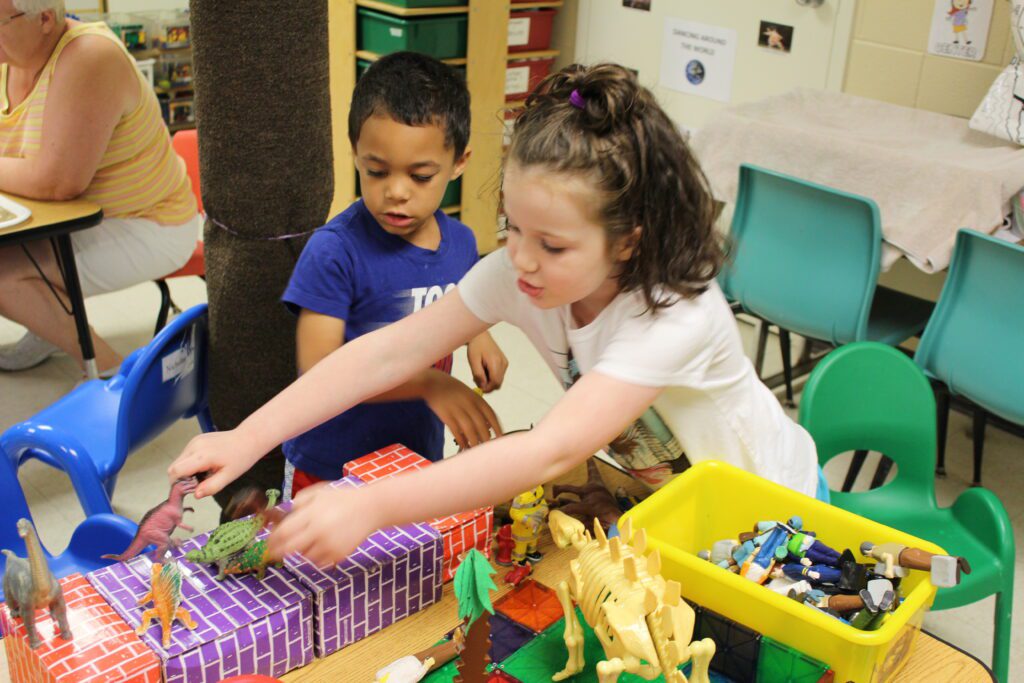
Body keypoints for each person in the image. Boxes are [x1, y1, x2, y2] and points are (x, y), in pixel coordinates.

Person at [169, 63, 821, 567]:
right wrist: (247, 436)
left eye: (554, 244)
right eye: (513, 227)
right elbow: (385, 353)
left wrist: (369, 504)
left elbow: (548, 450)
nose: (523, 262)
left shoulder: (676, 311)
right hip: (670, 504)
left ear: (629, 240)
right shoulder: (524, 270)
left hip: (773, 512)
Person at [279, 51, 507, 497]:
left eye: (421, 176)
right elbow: (318, 370)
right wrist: (428, 383)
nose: (396, 193)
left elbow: (462, 307)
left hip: (414, 458)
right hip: (330, 467)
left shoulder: (460, 243)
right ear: (356, 154)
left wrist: (479, 336)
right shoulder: (334, 252)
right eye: (376, 171)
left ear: (460, 162)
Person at [0, 0, 200, 375]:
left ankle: (109, 372)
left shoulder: (90, 58)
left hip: (148, 225)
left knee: (2, 274)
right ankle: (50, 319)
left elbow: (57, 182)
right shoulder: (12, 56)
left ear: (44, 19)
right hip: (70, 217)